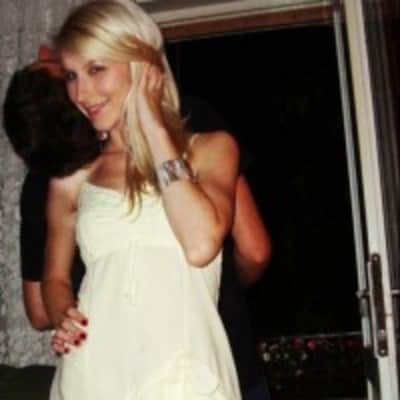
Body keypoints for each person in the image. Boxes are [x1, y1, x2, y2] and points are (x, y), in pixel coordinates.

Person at [43, 1, 242, 399]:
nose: (81, 93)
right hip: (94, 373)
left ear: (140, 63)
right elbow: (55, 279)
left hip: (185, 371)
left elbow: (201, 245)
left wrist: (152, 126)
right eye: (71, 76)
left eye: (96, 69)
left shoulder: (210, 150)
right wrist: (63, 314)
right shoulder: (71, 179)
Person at [2, 48, 100, 330]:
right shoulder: (129, 153)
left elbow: (40, 312)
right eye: (67, 72)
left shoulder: (38, 184)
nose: (44, 49)